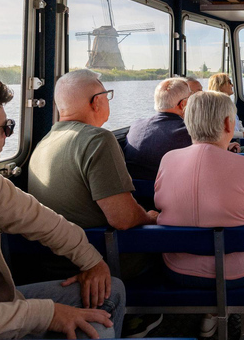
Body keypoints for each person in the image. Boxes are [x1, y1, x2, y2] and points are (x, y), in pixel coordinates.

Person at [0, 72, 125, 339]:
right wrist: (44, 314)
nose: (8, 135)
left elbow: (42, 221)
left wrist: (92, 261)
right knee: (98, 331)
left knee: (108, 290)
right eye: (5, 128)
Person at [155, 91, 244, 339]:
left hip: (177, 269)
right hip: (240, 273)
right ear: (229, 124)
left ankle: (210, 316)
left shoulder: (167, 160)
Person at [29, 69, 157, 231]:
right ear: (96, 102)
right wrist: (151, 218)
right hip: (104, 251)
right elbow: (124, 219)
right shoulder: (98, 139)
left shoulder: (44, 143)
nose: (109, 101)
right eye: (107, 95)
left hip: (54, 251)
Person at [123, 78, 193, 180]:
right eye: (191, 98)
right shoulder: (188, 132)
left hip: (133, 191)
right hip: (168, 193)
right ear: (183, 104)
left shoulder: (136, 126)